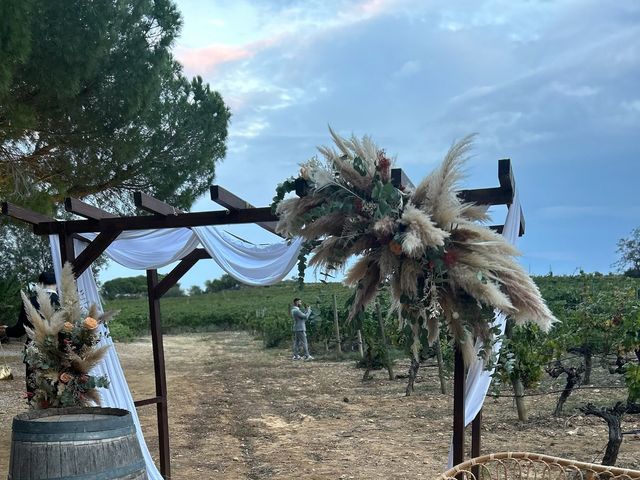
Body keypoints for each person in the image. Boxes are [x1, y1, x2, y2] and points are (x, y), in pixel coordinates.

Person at [0, 271, 60, 392]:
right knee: (57, 388)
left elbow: (19, 330)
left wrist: (6, 330)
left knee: (34, 390)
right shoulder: (64, 302)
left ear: (40, 284)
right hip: (58, 352)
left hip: (34, 351)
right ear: (56, 284)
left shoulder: (31, 302)